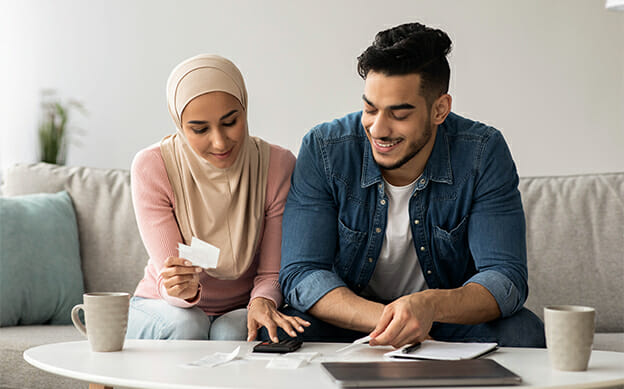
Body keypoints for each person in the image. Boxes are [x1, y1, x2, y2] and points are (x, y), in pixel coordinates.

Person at [278, 22, 546, 348]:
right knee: (277, 333)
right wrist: (392, 320)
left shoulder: (482, 152)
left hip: (443, 320)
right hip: (353, 318)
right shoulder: (325, 148)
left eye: (399, 114)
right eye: (370, 108)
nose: (378, 129)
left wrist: (428, 306)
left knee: (524, 332)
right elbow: (302, 272)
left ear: (439, 109)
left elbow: (506, 278)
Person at [126, 54, 309, 342]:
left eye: (230, 122)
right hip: (162, 305)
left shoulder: (277, 165)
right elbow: (167, 275)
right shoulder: (153, 166)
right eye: (199, 130)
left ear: (245, 109)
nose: (220, 142)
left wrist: (263, 301)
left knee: (231, 332)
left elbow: (272, 272)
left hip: (241, 305)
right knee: (188, 325)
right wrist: (180, 289)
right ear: (179, 124)